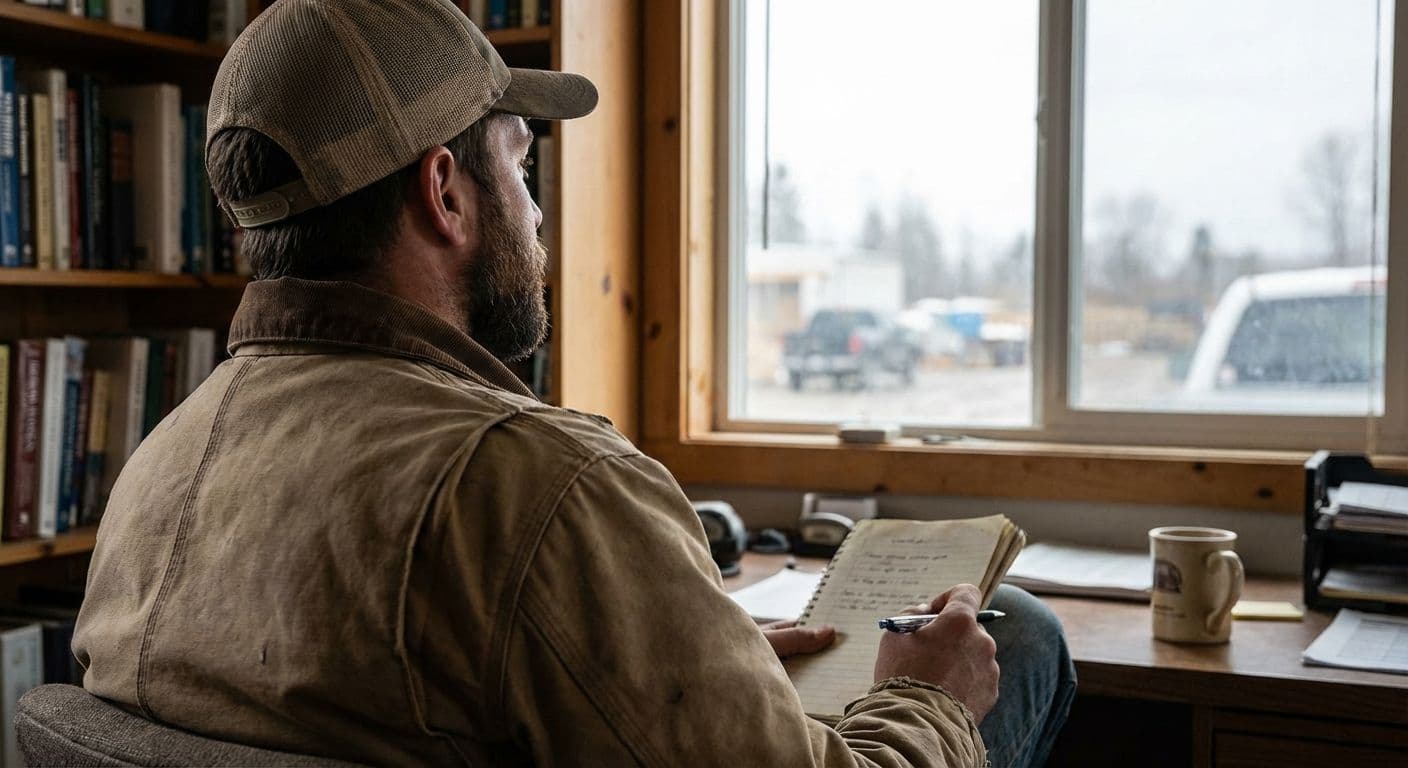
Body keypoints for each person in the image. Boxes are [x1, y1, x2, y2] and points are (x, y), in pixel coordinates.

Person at [72, 1, 1074, 765]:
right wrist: (931, 702)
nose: (539, 213)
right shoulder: (546, 487)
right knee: (1013, 632)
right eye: (519, 164)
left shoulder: (159, 461)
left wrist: (680, 658)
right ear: (446, 192)